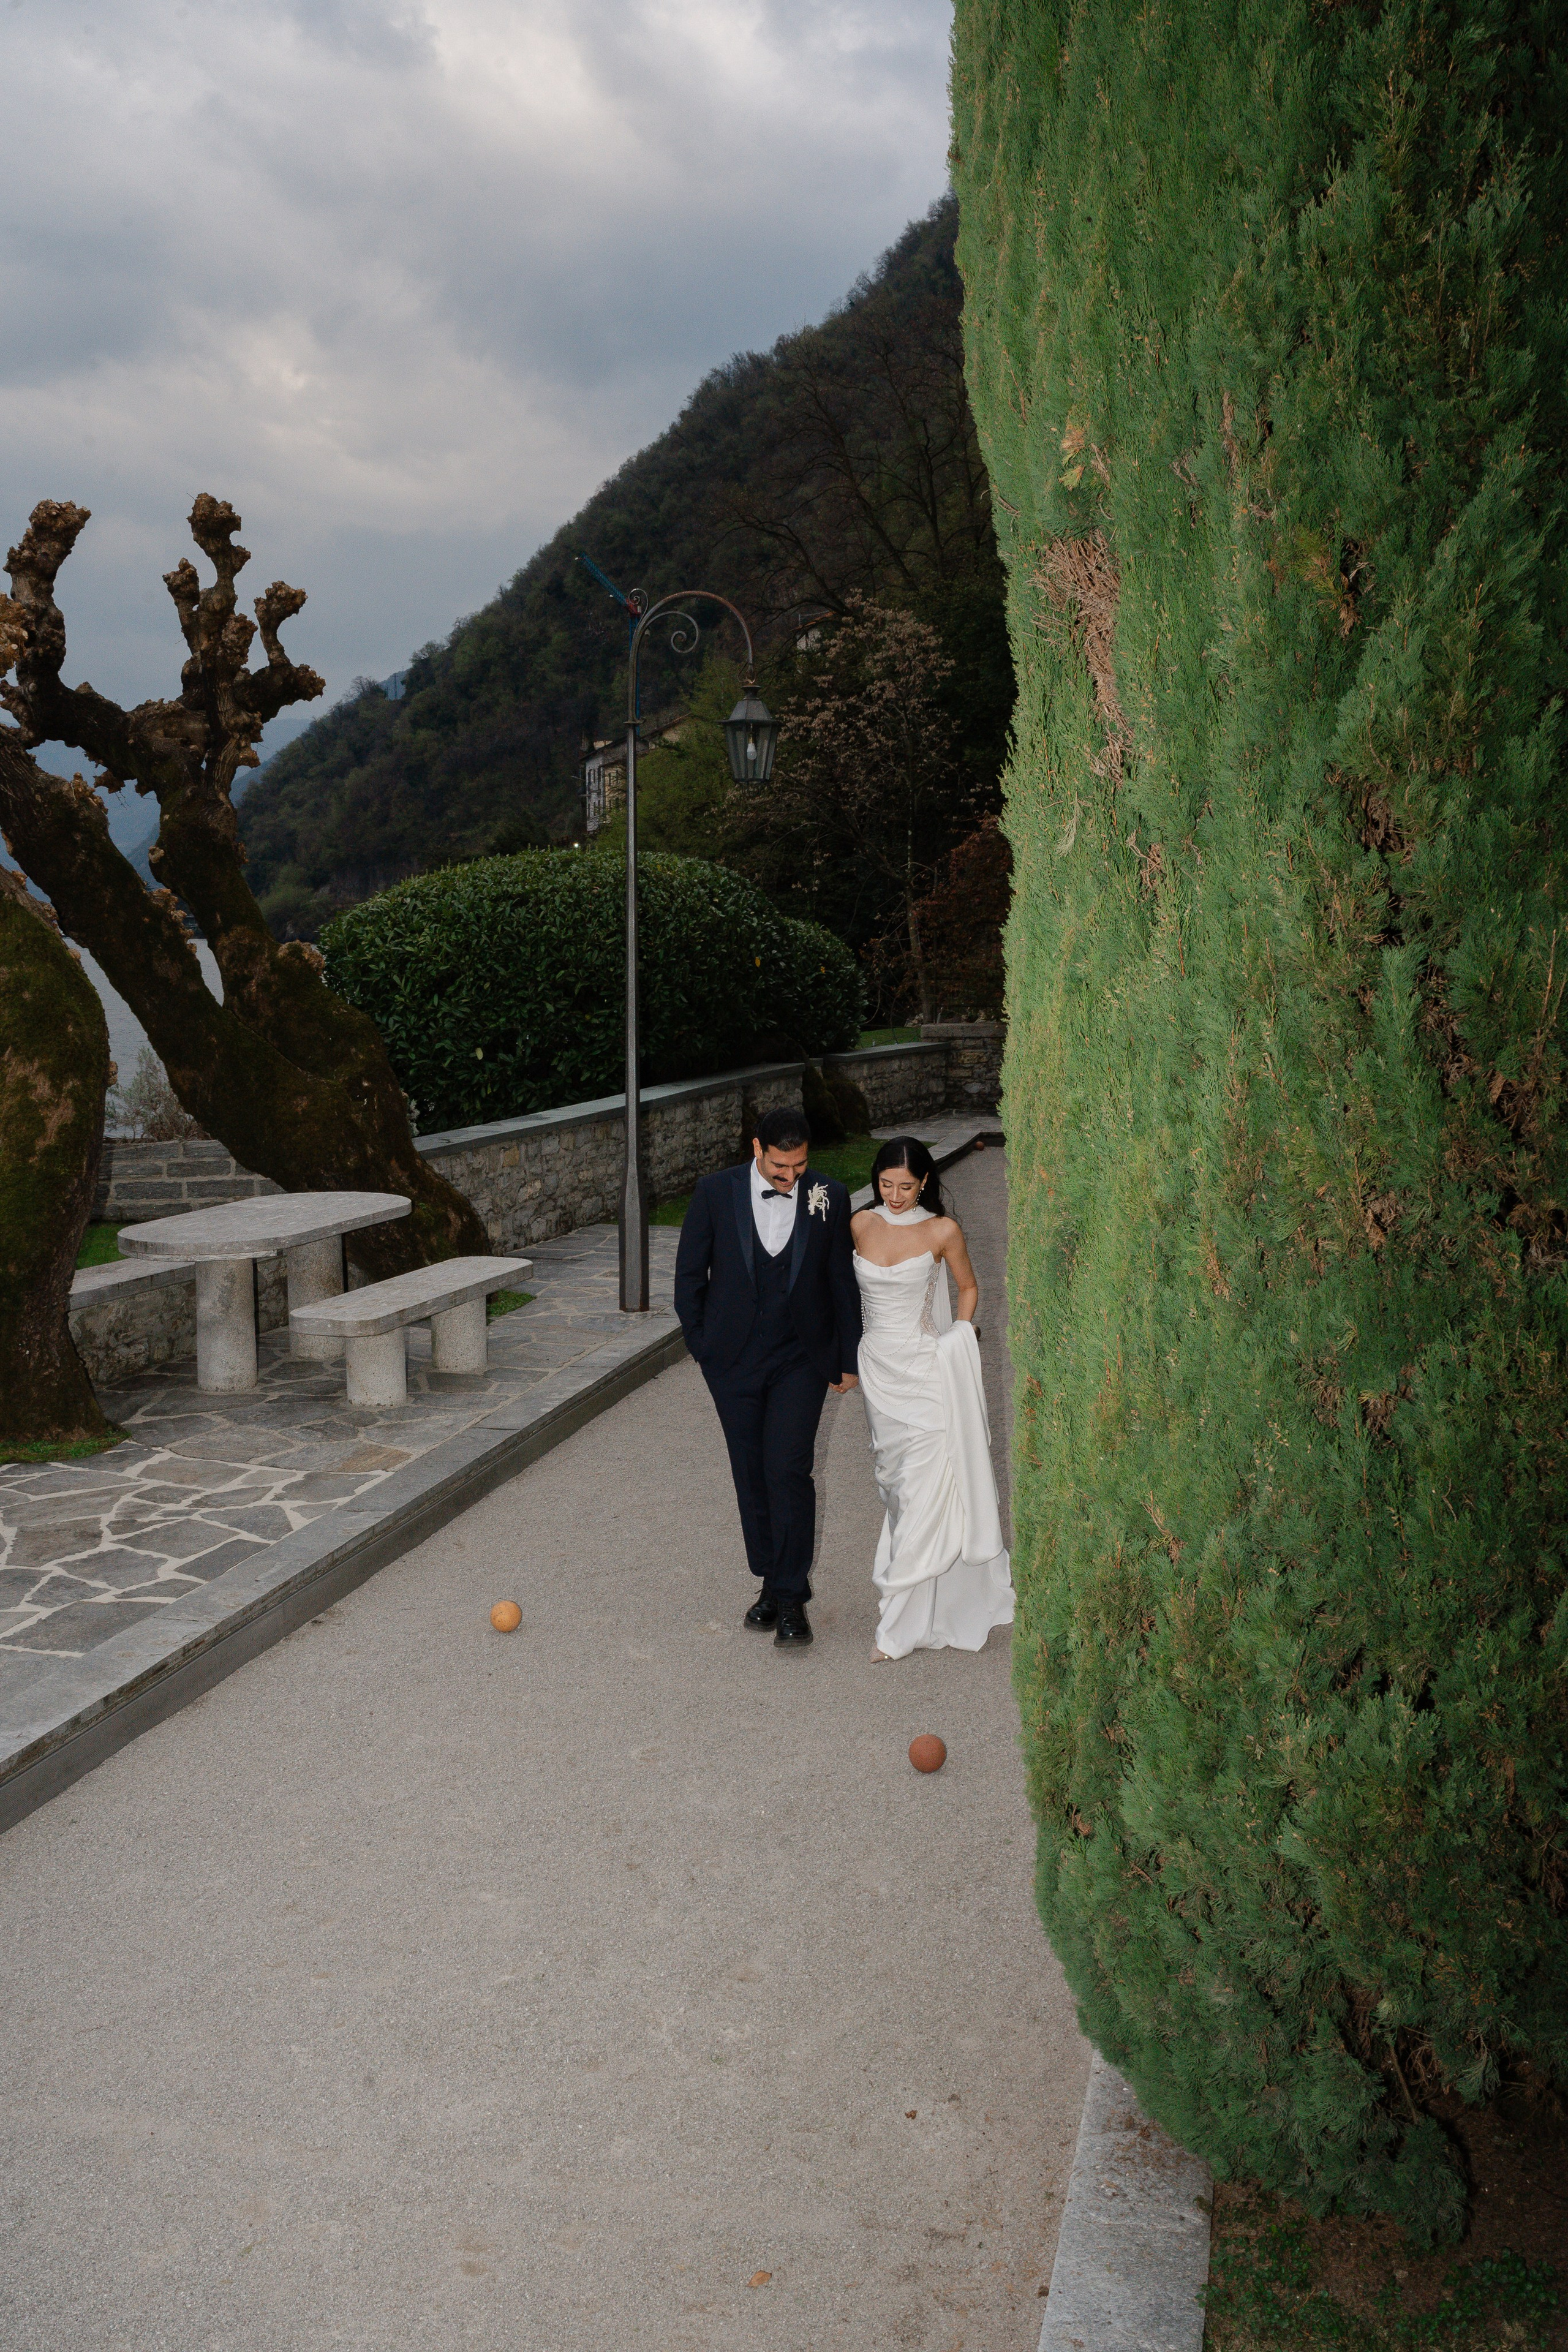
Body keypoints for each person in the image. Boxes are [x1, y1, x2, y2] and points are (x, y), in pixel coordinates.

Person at [674, 1106, 862, 1649]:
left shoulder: (829, 1193)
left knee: (789, 1469)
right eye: (781, 1166)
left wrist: (847, 1357)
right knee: (751, 1471)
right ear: (757, 1149)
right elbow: (690, 1277)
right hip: (732, 1360)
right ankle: (771, 1580)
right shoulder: (715, 1193)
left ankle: (790, 1599)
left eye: (800, 1165)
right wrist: (705, 1350)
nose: (791, 1177)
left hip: (800, 1358)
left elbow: (838, 1281)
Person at [850, 1137, 1014, 1660]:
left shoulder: (943, 1230)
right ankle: (920, 1601)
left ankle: (896, 1630)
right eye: (885, 1185)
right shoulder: (859, 1224)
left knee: (925, 1493)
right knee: (898, 1491)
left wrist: (956, 1343)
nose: (895, 1196)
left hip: (926, 1373)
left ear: (925, 1182)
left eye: (906, 1185)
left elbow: (968, 1288)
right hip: (879, 1371)